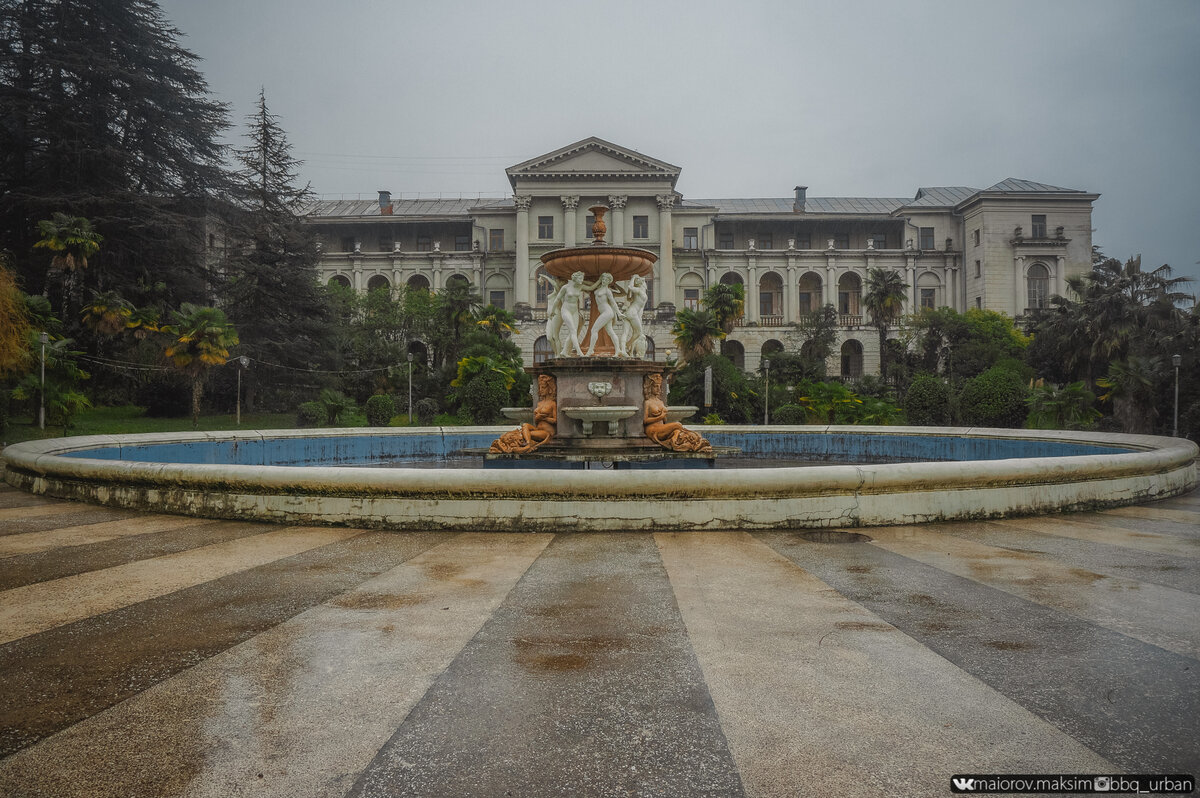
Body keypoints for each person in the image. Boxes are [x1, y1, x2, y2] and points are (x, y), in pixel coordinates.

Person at [642, 373, 712, 452]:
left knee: (677, 432)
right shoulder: (647, 402)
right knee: (678, 425)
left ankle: (680, 443)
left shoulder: (660, 402)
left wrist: (664, 416)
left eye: (659, 386)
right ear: (650, 387)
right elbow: (645, 420)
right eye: (655, 386)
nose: (658, 389)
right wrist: (660, 417)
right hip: (652, 430)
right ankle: (693, 441)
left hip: (661, 428)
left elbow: (664, 421)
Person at [490, 375, 557, 453]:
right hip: (538, 429)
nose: (540, 390)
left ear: (549, 389)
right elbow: (536, 421)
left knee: (527, 434)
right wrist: (538, 418)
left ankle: (527, 444)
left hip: (547, 432)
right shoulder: (539, 404)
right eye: (540, 387)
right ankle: (528, 443)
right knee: (525, 425)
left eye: (543, 387)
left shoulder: (552, 404)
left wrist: (544, 418)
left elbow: (555, 420)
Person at [583, 272, 625, 357]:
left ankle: (590, 351)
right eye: (603, 279)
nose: (604, 280)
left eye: (607, 279)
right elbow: (588, 284)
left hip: (607, 312)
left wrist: (619, 313)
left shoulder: (608, 291)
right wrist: (598, 280)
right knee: (610, 331)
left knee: (594, 330)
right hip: (604, 312)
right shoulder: (598, 288)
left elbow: (613, 303)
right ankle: (618, 351)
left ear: (609, 281)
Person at [556, 271, 588, 357]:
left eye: (582, 278)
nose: (582, 280)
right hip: (566, 310)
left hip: (575, 311)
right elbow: (557, 299)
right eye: (580, 278)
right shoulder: (565, 288)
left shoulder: (580, 287)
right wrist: (552, 311)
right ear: (575, 278)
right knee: (573, 331)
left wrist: (600, 281)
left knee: (572, 332)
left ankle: (564, 352)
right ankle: (579, 352)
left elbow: (592, 287)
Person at [617, 274, 649, 358]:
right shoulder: (639, 291)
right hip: (632, 313)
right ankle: (627, 345)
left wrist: (633, 279)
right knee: (639, 333)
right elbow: (630, 287)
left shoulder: (639, 292)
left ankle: (623, 349)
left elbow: (629, 298)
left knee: (625, 332)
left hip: (629, 312)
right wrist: (633, 277)